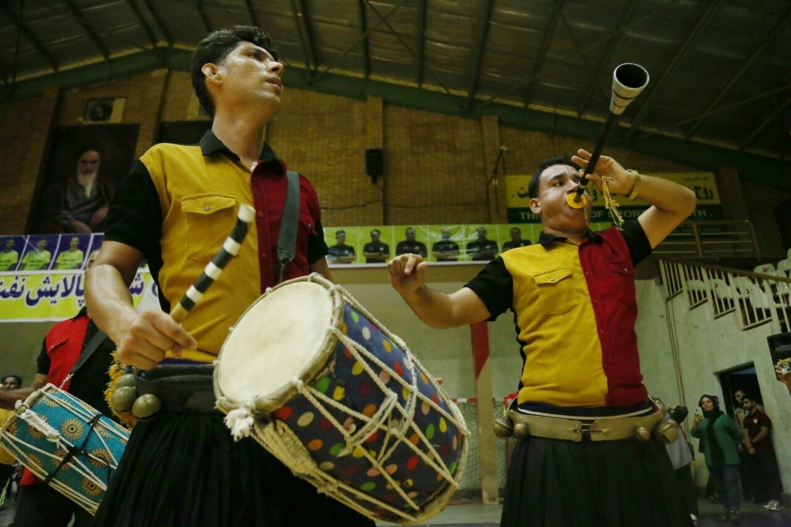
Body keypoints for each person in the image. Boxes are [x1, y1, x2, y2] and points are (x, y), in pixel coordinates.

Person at [85, 26, 374, 527]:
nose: (276, 66)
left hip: (300, 425)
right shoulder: (164, 164)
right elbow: (108, 267)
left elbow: (332, 301)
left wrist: (373, 368)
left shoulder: (300, 189)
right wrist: (122, 320)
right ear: (212, 74)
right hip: (193, 421)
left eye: (276, 60)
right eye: (256, 56)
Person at [388, 151, 697, 527]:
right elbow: (450, 311)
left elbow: (682, 203)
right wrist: (413, 291)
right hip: (549, 444)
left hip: (632, 437)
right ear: (535, 205)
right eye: (558, 182)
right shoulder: (515, 262)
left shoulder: (622, 244)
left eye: (576, 179)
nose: (573, 185)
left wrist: (629, 182)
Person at [0, 257, 116, 527]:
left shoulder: (137, 330)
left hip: (104, 463)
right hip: (46, 456)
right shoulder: (58, 331)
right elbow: (38, 393)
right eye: (94, 263)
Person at [691, 395, 742, 523]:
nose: (706, 404)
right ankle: (728, 509)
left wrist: (731, 446)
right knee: (719, 486)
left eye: (708, 401)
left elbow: (737, 434)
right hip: (712, 459)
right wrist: (695, 424)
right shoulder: (702, 422)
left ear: (714, 403)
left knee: (730, 483)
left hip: (728, 458)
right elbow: (695, 434)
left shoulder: (724, 419)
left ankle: (735, 510)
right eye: (703, 403)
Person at [40, 148, 116, 234]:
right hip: (67, 228)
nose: (88, 167)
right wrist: (73, 223)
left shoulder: (108, 184)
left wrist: (107, 208)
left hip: (97, 228)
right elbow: (52, 210)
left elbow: (119, 204)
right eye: (84, 162)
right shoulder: (61, 187)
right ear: (77, 162)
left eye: (93, 162)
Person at [740, 394, 784, 511]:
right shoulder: (746, 419)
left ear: (753, 403)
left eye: (747, 402)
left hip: (765, 449)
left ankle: (777, 499)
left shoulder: (762, 416)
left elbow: (764, 432)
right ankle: (767, 498)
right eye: (743, 403)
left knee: (770, 474)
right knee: (760, 475)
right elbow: (745, 433)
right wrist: (749, 446)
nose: (745, 405)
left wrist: (753, 443)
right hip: (753, 451)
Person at [658, 402, 699, 523]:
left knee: (686, 487)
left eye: (659, 403)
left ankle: (692, 512)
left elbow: (682, 410)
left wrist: (672, 407)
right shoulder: (654, 424)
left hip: (681, 459)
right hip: (668, 462)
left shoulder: (671, 419)